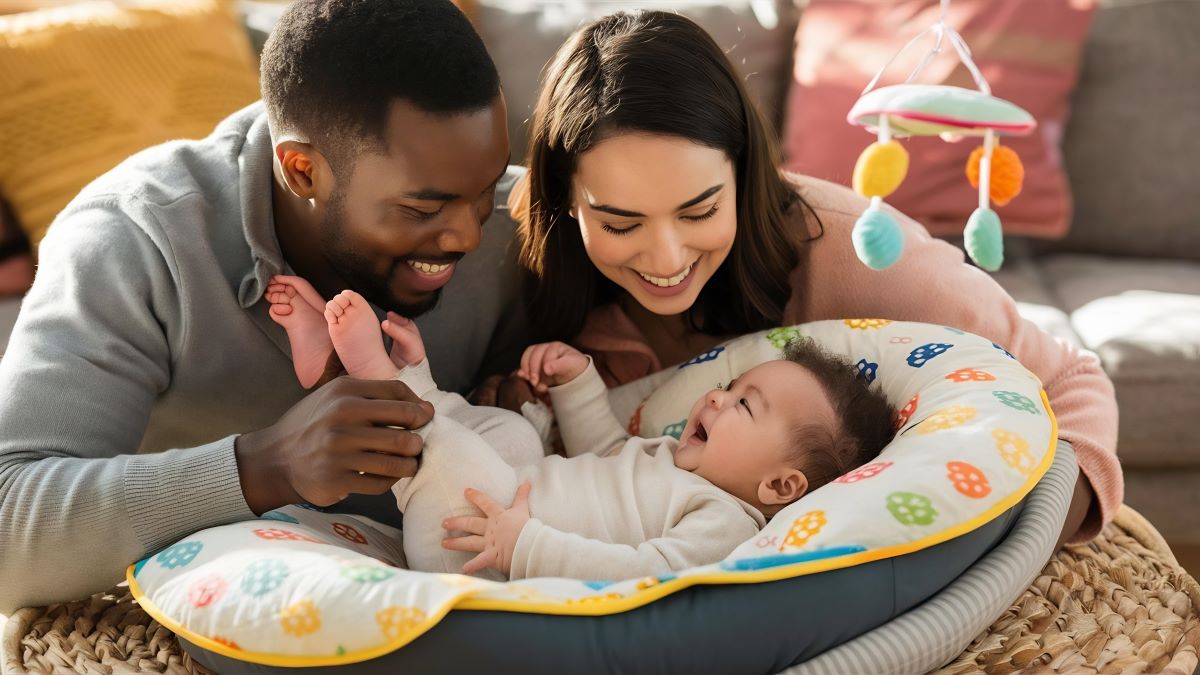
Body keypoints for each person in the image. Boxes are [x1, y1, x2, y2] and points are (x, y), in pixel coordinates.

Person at [481, 10, 1120, 552]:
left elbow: (1068, 384)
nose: (665, 256)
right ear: (566, 202)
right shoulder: (531, 258)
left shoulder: (849, 251)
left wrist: (1005, 551)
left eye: (700, 210)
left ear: (743, 171)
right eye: (621, 223)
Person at [0, 0, 525, 614]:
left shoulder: (520, 230)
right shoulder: (136, 239)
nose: (467, 235)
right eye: (422, 210)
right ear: (302, 172)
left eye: (484, 191)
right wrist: (264, 465)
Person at [264, 276, 894, 580]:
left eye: (746, 408)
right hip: (502, 494)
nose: (718, 401)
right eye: (730, 390)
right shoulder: (673, 459)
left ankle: (372, 372)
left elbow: (646, 573)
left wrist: (526, 545)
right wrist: (578, 382)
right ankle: (405, 382)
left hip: (484, 552)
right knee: (510, 433)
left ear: (782, 488)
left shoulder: (722, 522)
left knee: (460, 455)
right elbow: (608, 448)